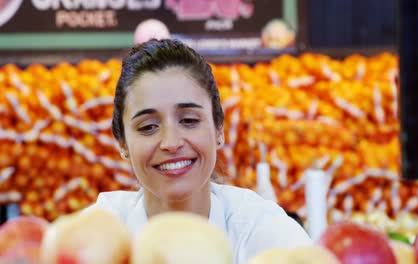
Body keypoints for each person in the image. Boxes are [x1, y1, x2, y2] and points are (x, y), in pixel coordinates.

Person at [89, 38, 313, 263]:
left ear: (218, 129)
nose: (171, 142)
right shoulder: (101, 236)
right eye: (148, 127)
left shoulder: (260, 231)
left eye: (188, 120)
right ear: (123, 144)